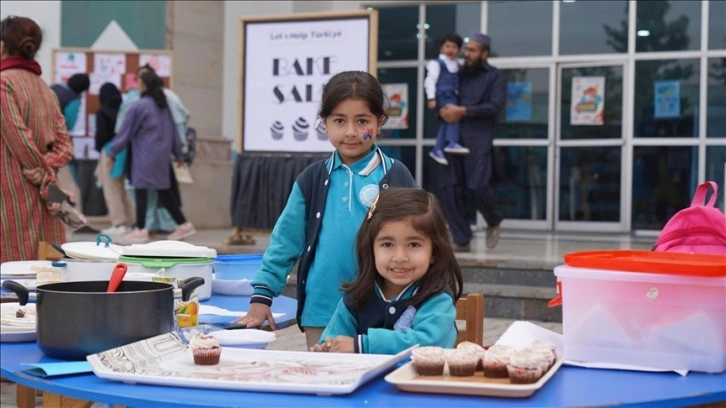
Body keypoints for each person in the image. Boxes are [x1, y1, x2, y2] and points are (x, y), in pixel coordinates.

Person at [235, 71, 417, 348]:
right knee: (325, 382)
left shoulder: (396, 176)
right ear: (325, 123)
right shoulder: (311, 180)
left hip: (382, 312)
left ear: (379, 123)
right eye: (339, 121)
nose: (351, 132)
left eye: (363, 121)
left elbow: (421, 240)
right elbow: (285, 242)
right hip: (321, 311)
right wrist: (262, 296)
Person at [311, 188, 463, 354]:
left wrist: (362, 345)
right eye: (387, 244)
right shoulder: (357, 297)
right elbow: (334, 339)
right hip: (360, 380)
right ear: (371, 248)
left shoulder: (437, 299)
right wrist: (326, 349)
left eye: (414, 244)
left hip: (417, 380)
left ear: (434, 251)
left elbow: (429, 345)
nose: (399, 257)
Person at [0, 16, 73, 261]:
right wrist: (47, 174)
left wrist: (40, 171)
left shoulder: (4, 83)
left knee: (13, 277)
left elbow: (19, 139)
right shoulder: (46, 89)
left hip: (11, 195)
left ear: (2, 46)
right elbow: (65, 146)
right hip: (48, 196)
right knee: (46, 275)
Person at [106, 69, 195, 243]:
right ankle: (182, 224)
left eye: (138, 81)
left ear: (144, 84)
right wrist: (179, 155)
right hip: (161, 158)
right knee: (163, 191)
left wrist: (112, 152)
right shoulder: (162, 106)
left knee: (141, 191)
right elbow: (174, 134)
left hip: (144, 156)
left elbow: (125, 132)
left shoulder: (138, 106)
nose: (136, 84)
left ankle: (141, 228)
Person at [439, 33, 506, 251]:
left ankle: (493, 220)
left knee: (477, 185)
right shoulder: (459, 73)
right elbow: (446, 95)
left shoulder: (494, 76)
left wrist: (463, 111)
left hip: (479, 139)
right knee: (451, 188)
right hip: (453, 137)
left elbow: (495, 106)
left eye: (473, 50)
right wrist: (444, 111)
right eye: (466, 50)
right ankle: (461, 238)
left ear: (484, 53)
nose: (467, 54)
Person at [94, 82, 135, 236]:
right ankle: (131, 221)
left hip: (110, 151)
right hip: (125, 150)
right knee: (125, 188)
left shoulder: (102, 111)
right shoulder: (123, 109)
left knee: (111, 189)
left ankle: (118, 223)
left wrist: (100, 149)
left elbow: (101, 137)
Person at [425, 33, 469, 166]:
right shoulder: (437, 63)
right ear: (441, 48)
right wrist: (431, 98)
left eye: (454, 47)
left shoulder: (456, 65)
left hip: (453, 96)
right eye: (447, 46)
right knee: (454, 117)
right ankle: (451, 142)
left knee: (446, 122)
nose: (450, 49)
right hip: (443, 96)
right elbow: (430, 81)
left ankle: (437, 149)